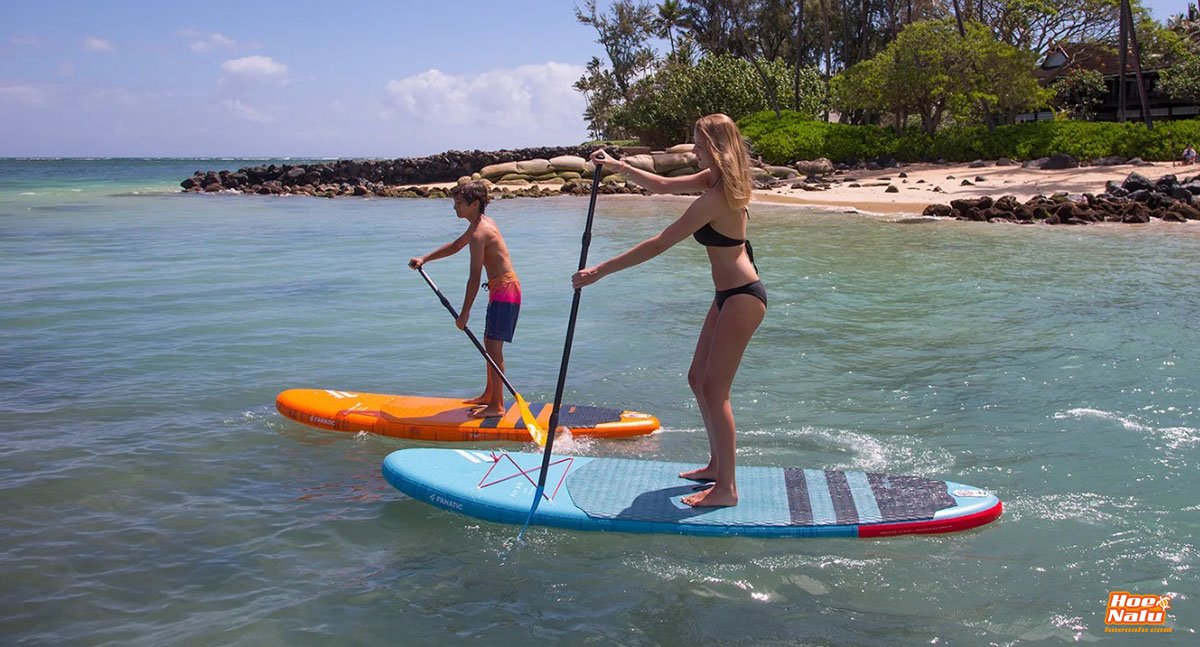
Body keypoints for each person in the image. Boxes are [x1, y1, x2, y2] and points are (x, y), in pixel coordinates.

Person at [572, 114, 766, 507]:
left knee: (715, 389)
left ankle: (727, 489)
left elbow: (659, 243)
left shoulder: (716, 196)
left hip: (743, 297)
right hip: (727, 295)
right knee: (698, 378)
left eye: (697, 143)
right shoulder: (714, 179)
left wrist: (600, 271)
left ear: (714, 146)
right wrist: (617, 166)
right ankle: (716, 466)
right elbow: (659, 184)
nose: (692, 150)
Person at [409, 181, 520, 418]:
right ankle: (490, 396)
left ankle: (497, 406)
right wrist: (425, 258)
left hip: (506, 291)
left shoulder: (481, 232)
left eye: (459, 204)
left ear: (475, 204)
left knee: (493, 348)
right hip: (502, 290)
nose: (455, 208)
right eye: (454, 203)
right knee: (489, 344)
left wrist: (464, 313)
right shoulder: (478, 224)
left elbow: (473, 278)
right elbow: (457, 245)